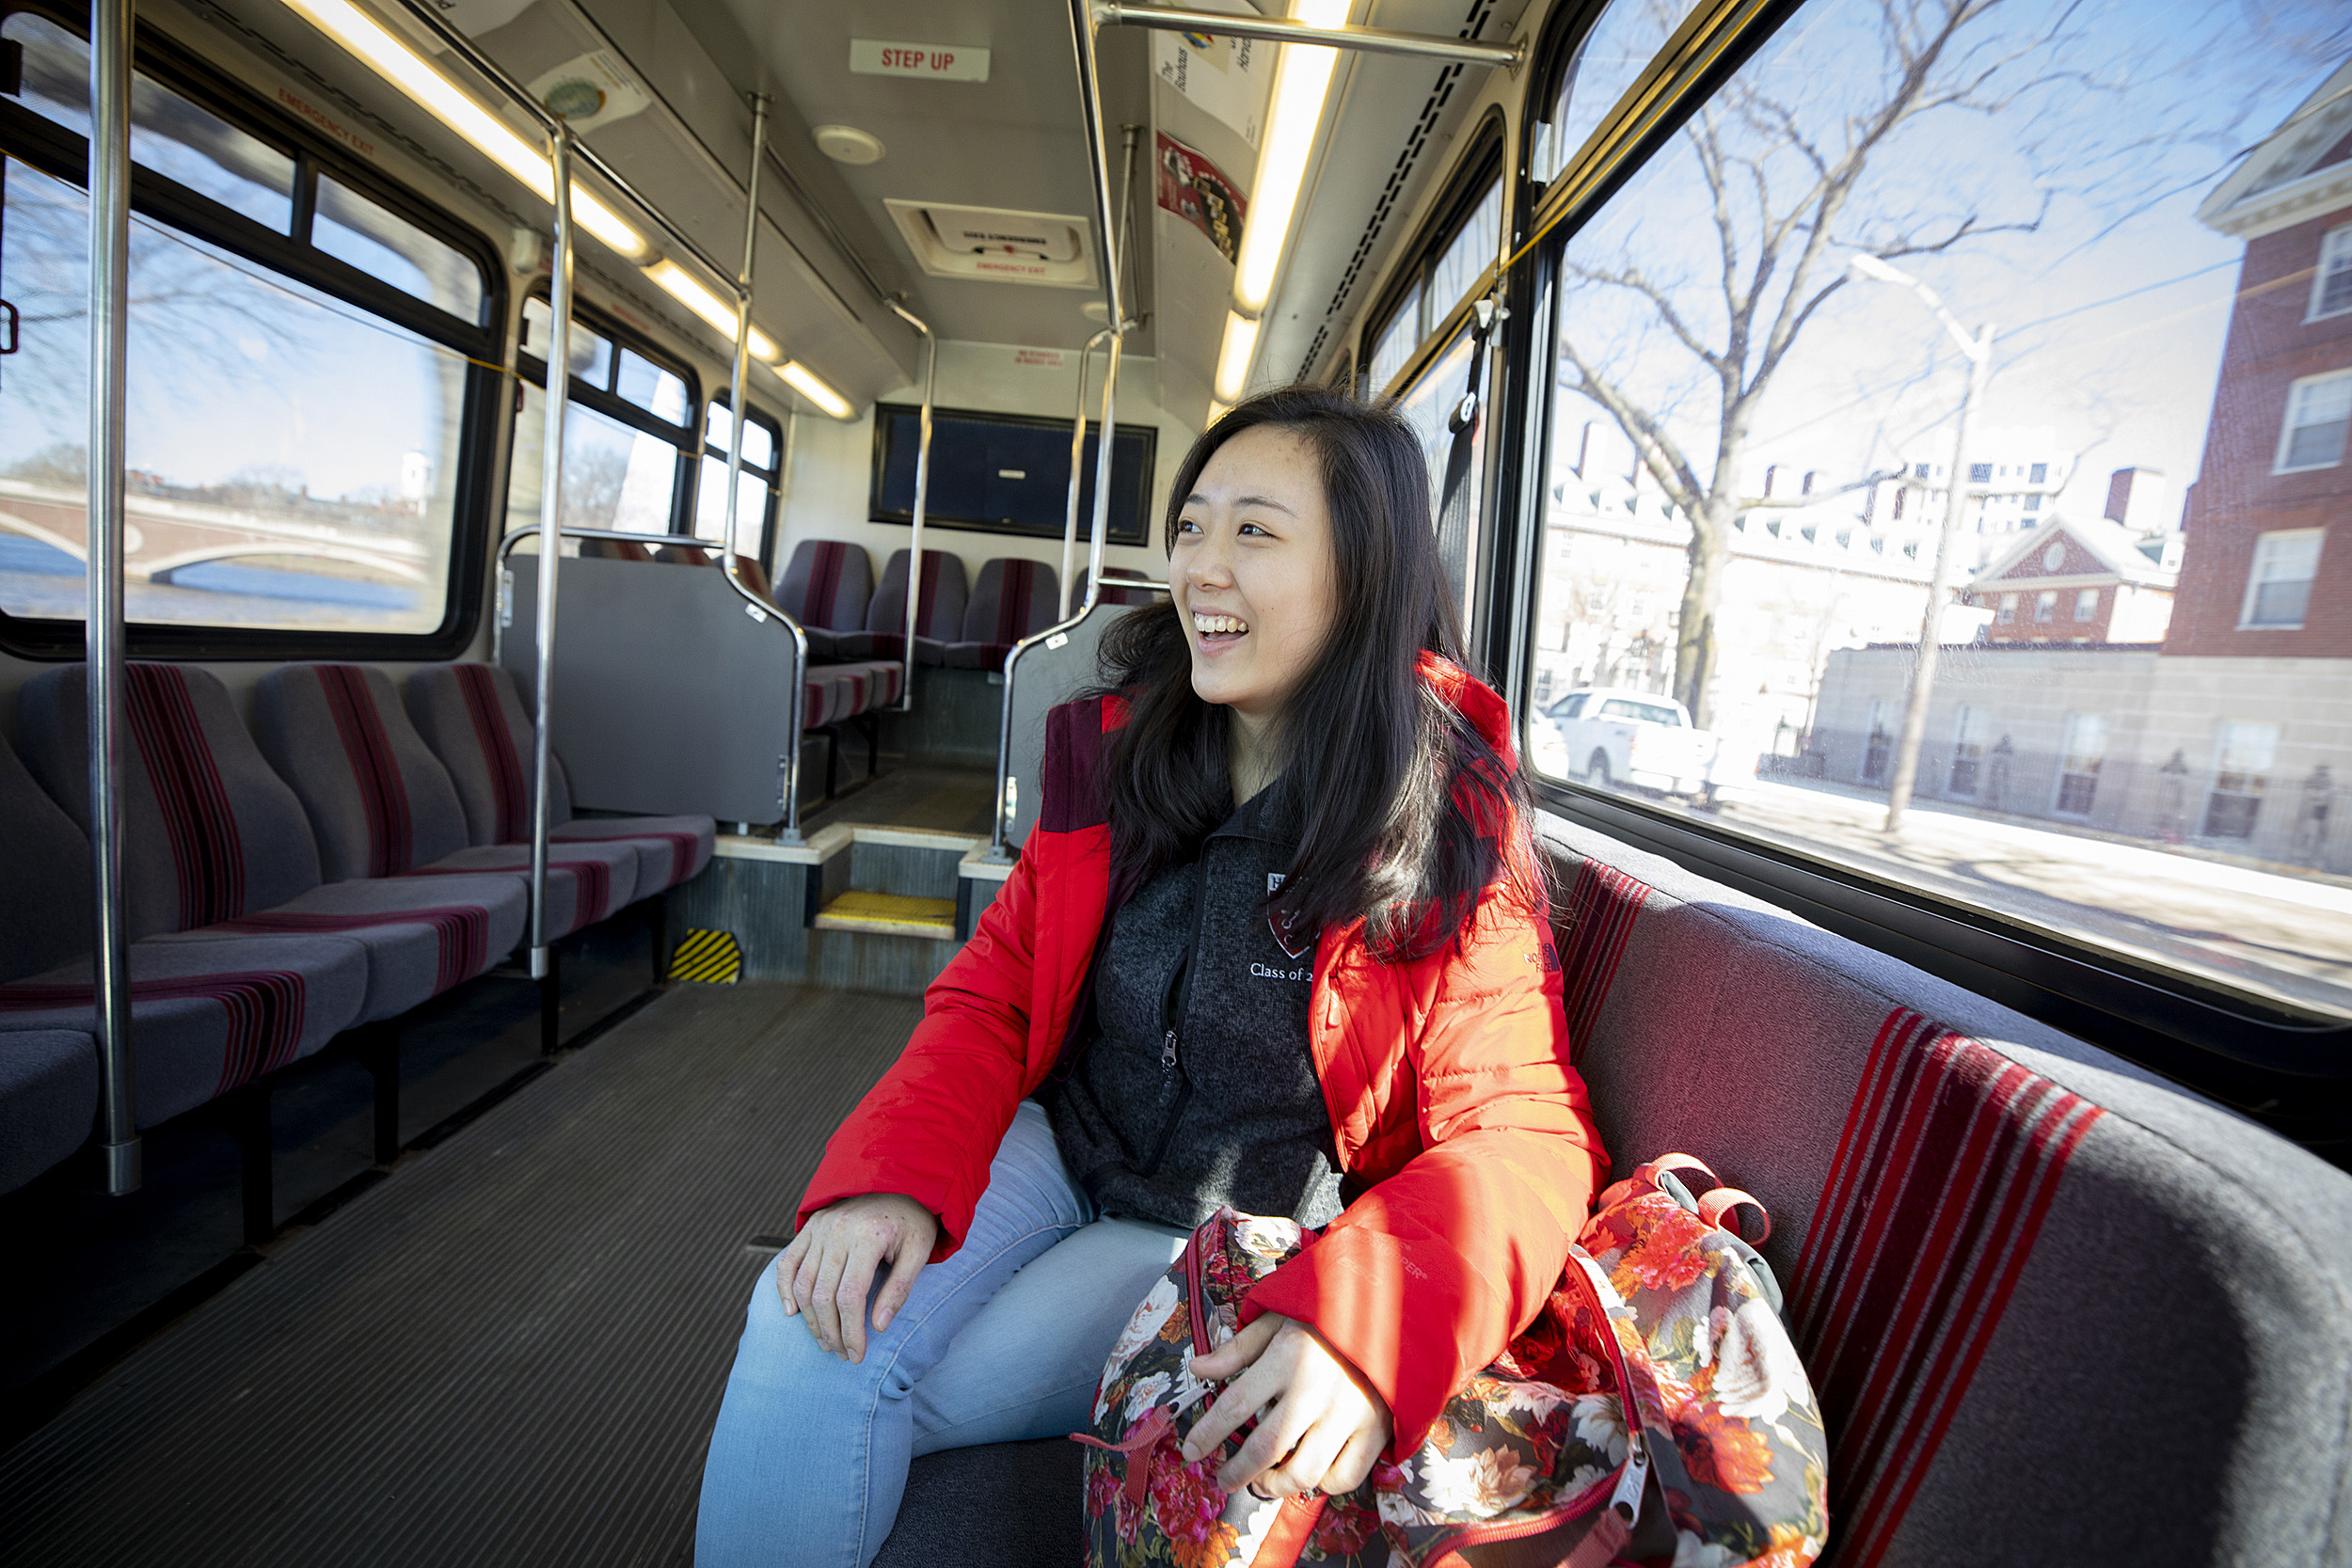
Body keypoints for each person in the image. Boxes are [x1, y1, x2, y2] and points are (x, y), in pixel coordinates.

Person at [695, 385, 1607, 1567]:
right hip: (1062, 1143)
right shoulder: (1122, 750)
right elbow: (994, 996)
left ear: (1363, 572)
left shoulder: (1446, 823)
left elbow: (1519, 1129)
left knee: (872, 1380)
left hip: (1212, 1225)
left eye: (1255, 532)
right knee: (802, 1328)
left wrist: (1368, 1326)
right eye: (1191, 525)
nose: (1200, 569)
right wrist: (894, 1180)